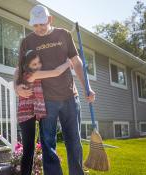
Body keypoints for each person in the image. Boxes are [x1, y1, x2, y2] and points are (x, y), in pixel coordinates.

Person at [14, 5, 96, 175]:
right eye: (35, 25)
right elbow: (18, 69)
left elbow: (77, 62)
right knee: (48, 145)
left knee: (74, 142)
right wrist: (16, 87)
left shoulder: (64, 34)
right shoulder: (27, 41)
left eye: (42, 24)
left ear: (50, 20)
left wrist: (87, 86)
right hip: (45, 101)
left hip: (69, 97)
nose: (38, 28)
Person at [17, 49, 72, 175]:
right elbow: (56, 72)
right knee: (28, 150)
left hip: (33, 113)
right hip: (26, 116)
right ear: (28, 66)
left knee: (30, 149)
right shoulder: (32, 75)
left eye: (39, 63)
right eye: (34, 64)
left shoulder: (27, 74)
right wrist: (68, 63)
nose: (38, 66)